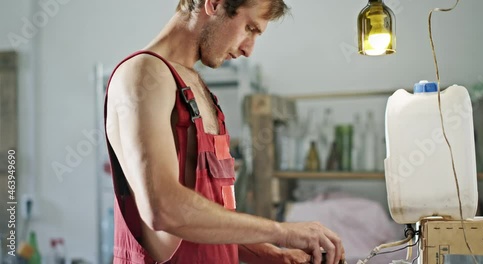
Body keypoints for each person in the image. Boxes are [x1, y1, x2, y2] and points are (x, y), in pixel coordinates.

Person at [104, 0, 345, 263]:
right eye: (250, 28)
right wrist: (282, 232)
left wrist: (274, 255)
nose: (248, 49)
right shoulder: (144, 74)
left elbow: (204, 219)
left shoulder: (196, 87)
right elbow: (163, 209)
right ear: (215, 4)